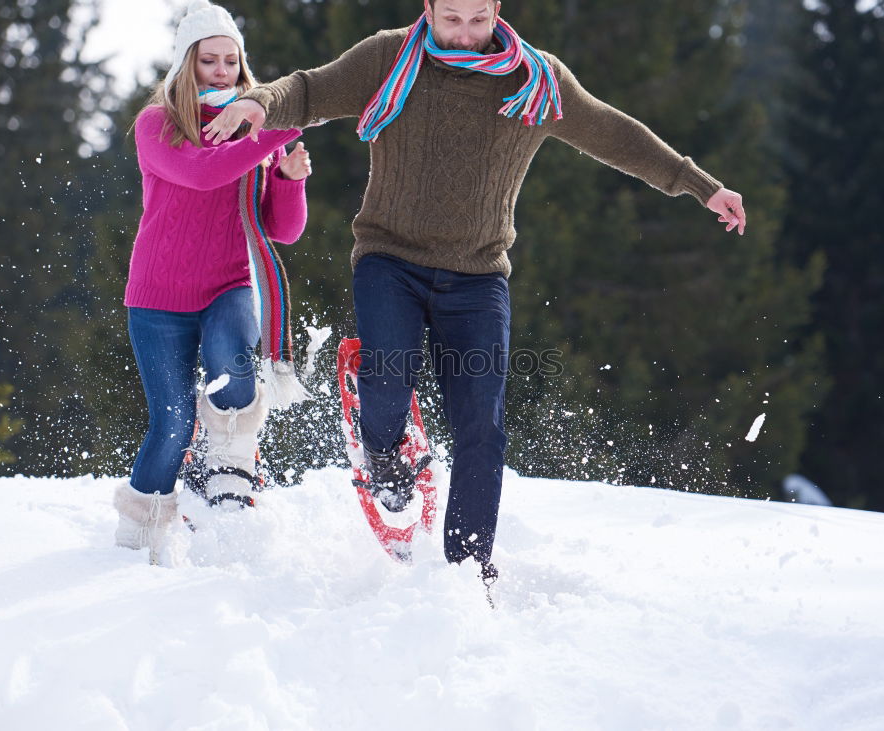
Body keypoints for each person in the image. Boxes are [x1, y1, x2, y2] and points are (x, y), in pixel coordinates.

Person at [205, 0, 747, 581]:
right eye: (451, 19)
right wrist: (258, 102)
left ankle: (467, 570)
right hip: (390, 260)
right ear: (429, 9)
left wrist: (699, 185)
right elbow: (311, 91)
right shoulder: (390, 58)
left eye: (478, 20)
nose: (464, 35)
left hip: (479, 277)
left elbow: (614, 132)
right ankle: (383, 451)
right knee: (387, 382)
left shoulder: (536, 81)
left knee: (482, 426)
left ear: (496, 11)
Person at [113, 0, 313, 563]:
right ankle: (136, 541)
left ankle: (229, 475)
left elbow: (283, 230)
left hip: (228, 284)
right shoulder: (157, 125)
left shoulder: (258, 133)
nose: (222, 71)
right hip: (157, 300)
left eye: (231, 60)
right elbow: (203, 173)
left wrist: (290, 179)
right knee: (172, 424)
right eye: (210, 61)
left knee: (233, 365)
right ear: (186, 66)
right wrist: (280, 129)